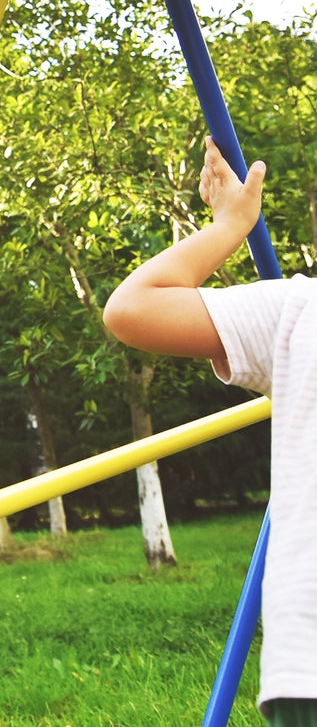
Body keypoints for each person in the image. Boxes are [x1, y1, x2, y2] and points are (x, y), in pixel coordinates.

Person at [104, 137, 316, 725]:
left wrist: (230, 225)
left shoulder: (301, 310)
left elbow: (132, 308)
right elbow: (132, 309)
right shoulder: (300, 310)